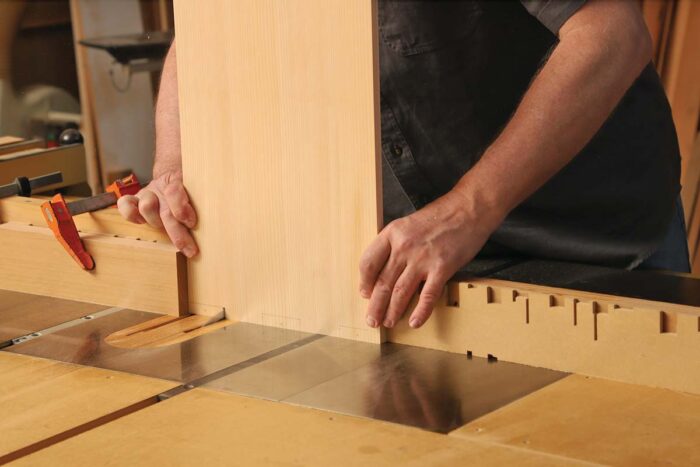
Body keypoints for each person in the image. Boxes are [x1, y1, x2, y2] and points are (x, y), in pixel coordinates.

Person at [118, 0, 688, 332]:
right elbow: (204, 35)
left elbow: (611, 33)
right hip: (415, 263)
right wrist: (174, 164)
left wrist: (468, 211)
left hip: (582, 236)